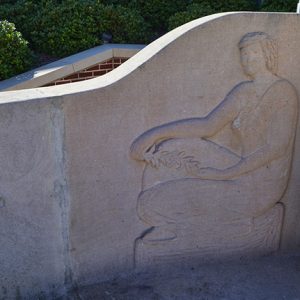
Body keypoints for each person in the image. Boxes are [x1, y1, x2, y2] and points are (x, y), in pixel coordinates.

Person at [130, 32, 298, 241]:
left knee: (151, 204)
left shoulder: (283, 92)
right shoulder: (244, 91)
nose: (247, 59)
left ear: (268, 54)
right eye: (243, 54)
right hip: (241, 169)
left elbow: (276, 148)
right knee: (174, 147)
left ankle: (225, 228)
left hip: (261, 186)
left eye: (253, 53)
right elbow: (208, 126)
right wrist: (155, 135)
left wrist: (224, 174)